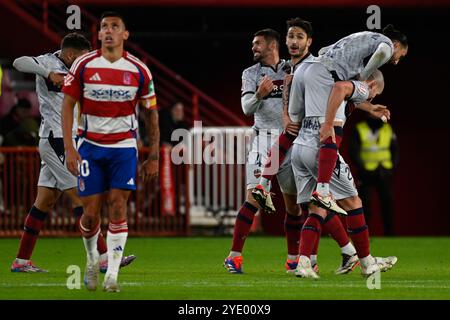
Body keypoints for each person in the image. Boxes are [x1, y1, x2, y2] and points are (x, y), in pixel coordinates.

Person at [9, 33, 135, 273]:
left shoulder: (80, 71)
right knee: (83, 197)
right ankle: (104, 257)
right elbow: (18, 62)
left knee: (43, 203)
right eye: (81, 57)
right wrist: (47, 74)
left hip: (70, 141)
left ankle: (21, 261)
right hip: (56, 141)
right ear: (69, 55)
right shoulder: (47, 62)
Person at [249, 18, 360, 275]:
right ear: (285, 41)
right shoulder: (290, 69)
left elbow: (342, 88)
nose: (294, 41)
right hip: (297, 145)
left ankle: (317, 259)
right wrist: (287, 115)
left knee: (320, 203)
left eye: (300, 37)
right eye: (291, 36)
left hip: (317, 143)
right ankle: (342, 254)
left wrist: (366, 103)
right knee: (308, 205)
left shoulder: (317, 66)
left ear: (309, 41)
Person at [62, 12, 159, 292]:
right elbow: (67, 105)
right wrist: (70, 148)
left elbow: (151, 113)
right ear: (99, 33)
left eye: (114, 27)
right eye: (104, 26)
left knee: (118, 206)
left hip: (124, 148)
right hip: (90, 147)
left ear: (125, 34)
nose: (108, 31)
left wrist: (153, 155)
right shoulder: (83, 64)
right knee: (90, 213)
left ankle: (112, 275)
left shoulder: (140, 70)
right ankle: (93, 258)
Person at [289, 65, 397, 278]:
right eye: (374, 94)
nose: (371, 97)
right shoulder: (353, 86)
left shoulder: (320, 79)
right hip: (320, 147)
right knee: (353, 202)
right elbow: (342, 89)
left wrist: (369, 108)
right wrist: (329, 124)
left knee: (316, 209)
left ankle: (302, 263)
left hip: (299, 147)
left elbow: (344, 94)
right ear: (372, 85)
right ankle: (367, 263)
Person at [310, 24, 408, 213]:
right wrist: (361, 81)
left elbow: (324, 50)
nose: (396, 62)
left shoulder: (361, 36)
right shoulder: (386, 45)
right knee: (337, 119)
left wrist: (369, 106)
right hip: (330, 78)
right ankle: (323, 189)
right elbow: (382, 52)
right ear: (396, 45)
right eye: (401, 56)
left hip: (312, 70)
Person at [349, 115, 399, 235]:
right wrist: (362, 167)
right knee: (364, 204)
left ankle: (390, 234)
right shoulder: (360, 128)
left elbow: (395, 150)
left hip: (384, 171)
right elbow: (354, 151)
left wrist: (391, 167)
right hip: (366, 172)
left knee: (387, 203)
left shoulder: (387, 128)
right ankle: (365, 234)